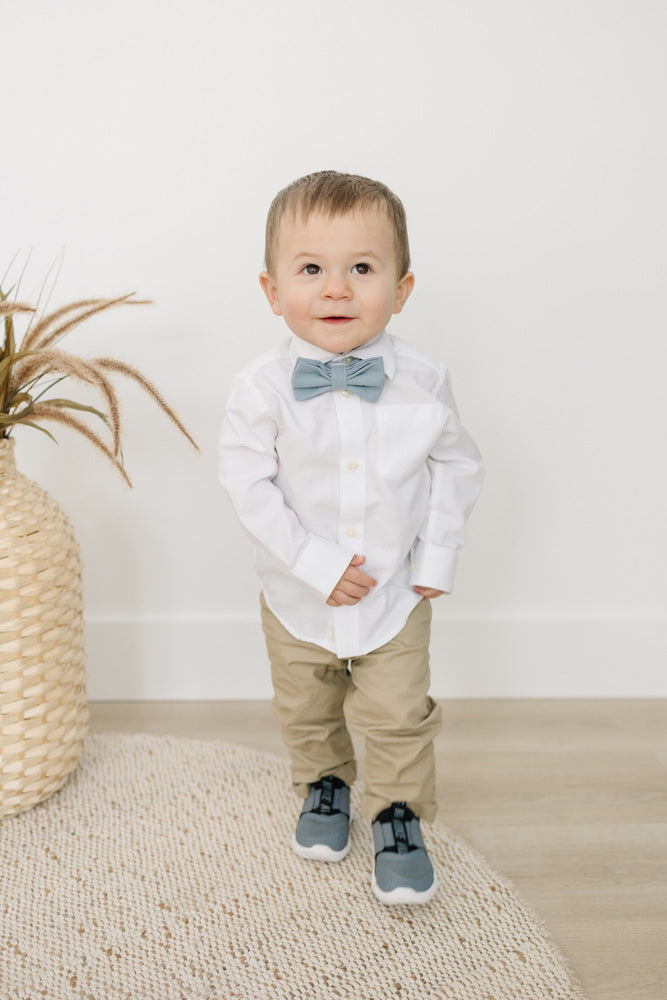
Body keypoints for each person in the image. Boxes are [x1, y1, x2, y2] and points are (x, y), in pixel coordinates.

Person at [219, 170, 483, 905]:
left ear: (399, 288)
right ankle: (324, 785)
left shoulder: (422, 380)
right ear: (273, 291)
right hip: (295, 597)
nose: (335, 290)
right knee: (306, 706)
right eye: (311, 270)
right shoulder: (258, 390)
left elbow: (456, 462)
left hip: (394, 595)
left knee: (400, 712)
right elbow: (248, 485)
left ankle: (398, 813)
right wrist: (313, 562)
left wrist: (436, 555)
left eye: (360, 269)